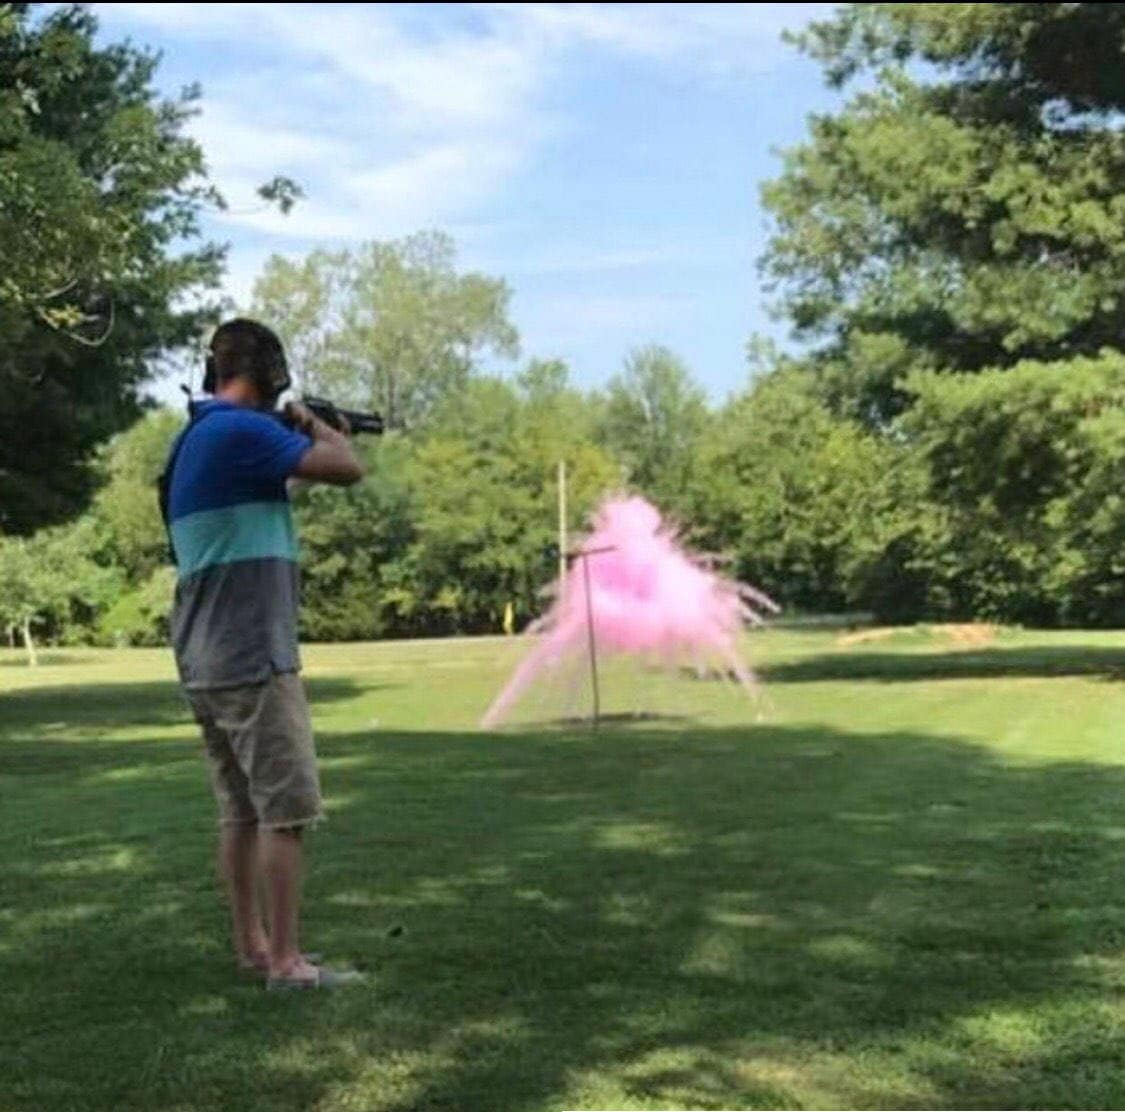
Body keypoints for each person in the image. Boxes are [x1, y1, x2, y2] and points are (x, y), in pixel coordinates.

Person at [162, 318, 364, 990]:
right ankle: (286, 962)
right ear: (272, 374)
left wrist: (295, 433)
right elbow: (346, 468)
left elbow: (272, 491)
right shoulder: (240, 430)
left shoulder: (197, 438)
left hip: (207, 655)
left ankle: (252, 946)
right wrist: (316, 426)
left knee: (240, 809)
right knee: (286, 809)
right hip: (252, 652)